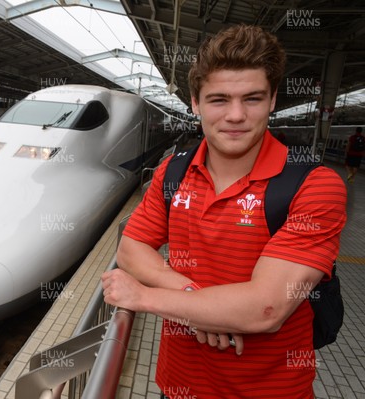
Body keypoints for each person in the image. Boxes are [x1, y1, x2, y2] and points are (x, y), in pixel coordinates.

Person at [101, 24, 346, 399]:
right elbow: (131, 248)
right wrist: (193, 298)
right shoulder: (174, 171)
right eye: (218, 100)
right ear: (196, 103)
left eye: (252, 98)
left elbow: (265, 308)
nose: (235, 115)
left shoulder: (314, 186)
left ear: (273, 100)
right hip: (177, 385)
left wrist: (143, 297)